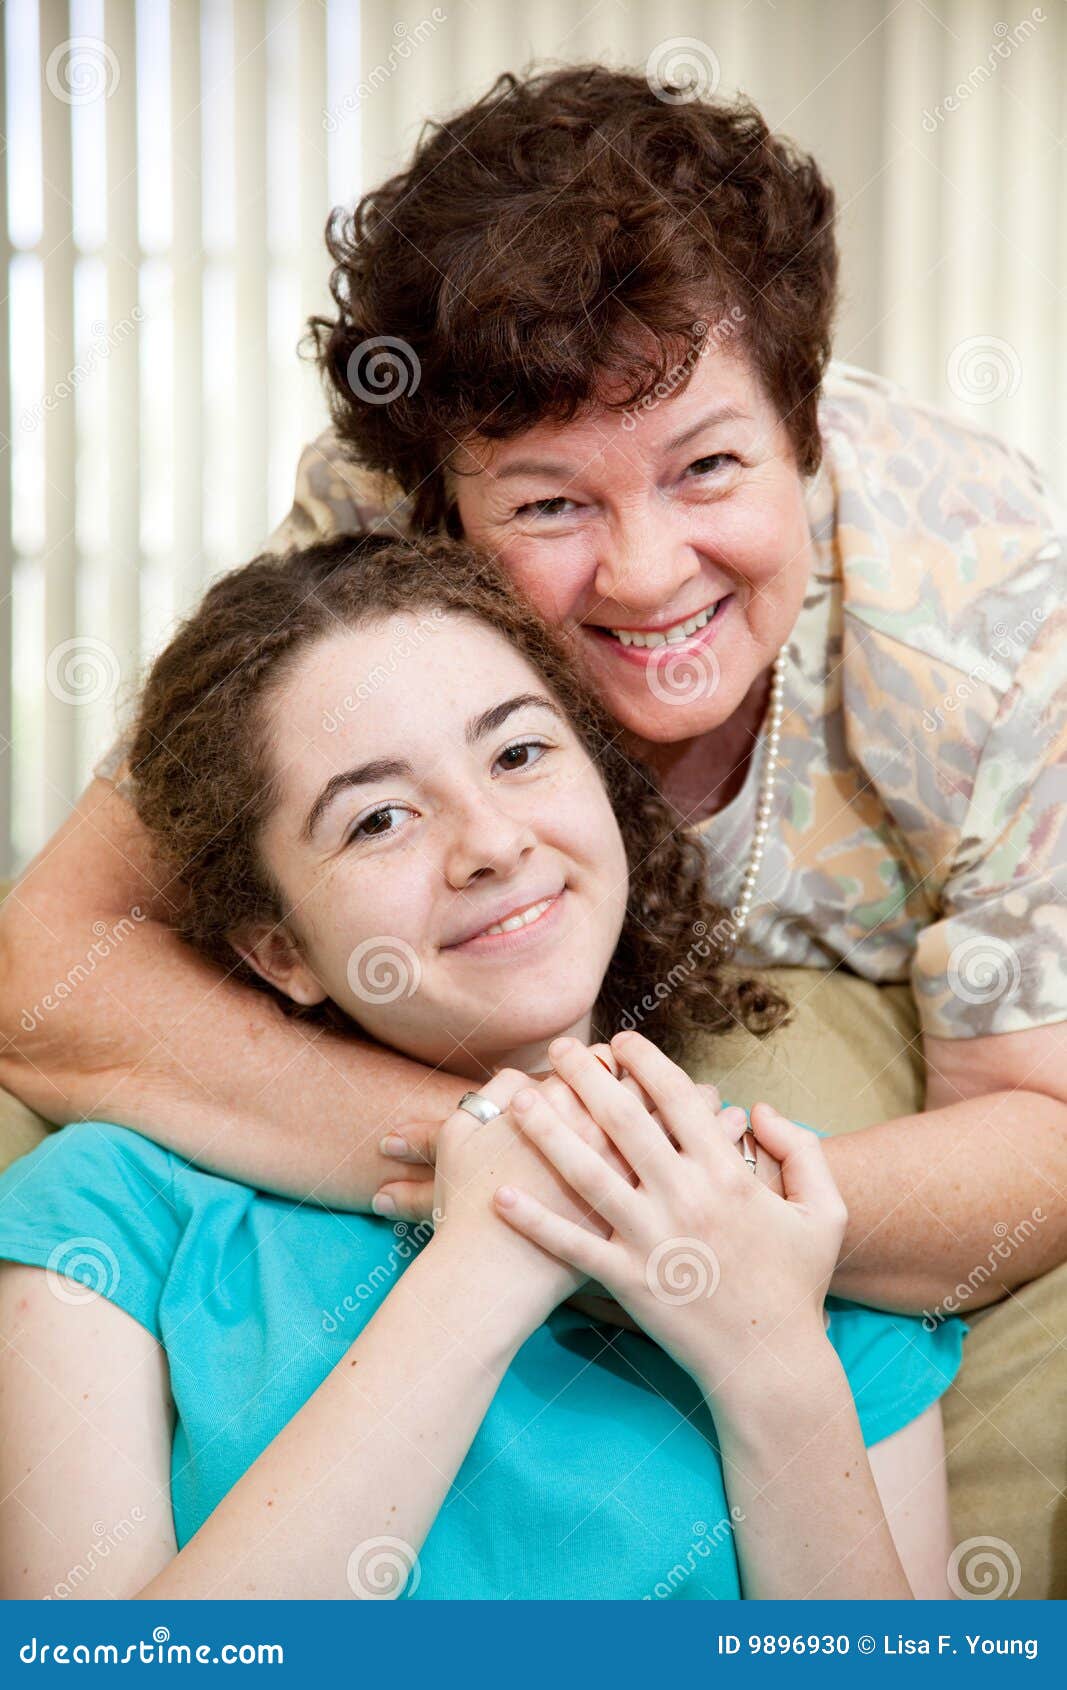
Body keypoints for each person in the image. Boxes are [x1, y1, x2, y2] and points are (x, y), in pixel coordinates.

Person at [1, 66, 1063, 1316]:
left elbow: (1031, 1123)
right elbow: (49, 975)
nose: (647, 571)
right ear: (440, 511)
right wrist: (504, 1156)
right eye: (551, 503)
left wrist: (670, 1216)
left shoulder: (987, 601)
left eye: (709, 467)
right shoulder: (373, 511)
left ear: (804, 428)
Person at [0, 536, 961, 1600]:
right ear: (279, 947)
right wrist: (482, 1266)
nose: (491, 842)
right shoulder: (109, 1213)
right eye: (377, 818)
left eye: (516, 755)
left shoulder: (786, 1217)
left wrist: (772, 1358)